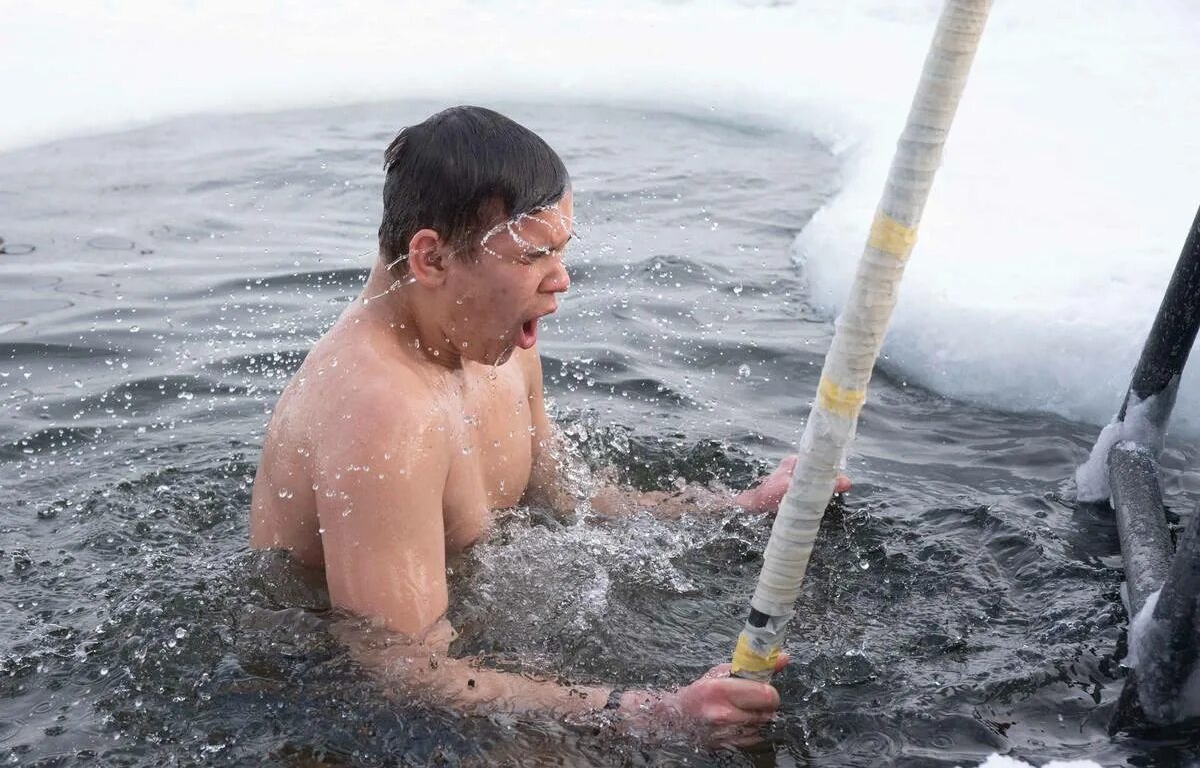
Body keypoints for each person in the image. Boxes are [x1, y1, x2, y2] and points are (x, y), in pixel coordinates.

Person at [250, 106, 850, 737]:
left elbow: (570, 498)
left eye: (561, 251)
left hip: (467, 661)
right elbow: (400, 670)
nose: (560, 279)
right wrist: (650, 712)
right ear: (429, 258)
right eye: (533, 255)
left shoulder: (497, 347)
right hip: (337, 708)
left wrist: (743, 505)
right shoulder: (381, 414)